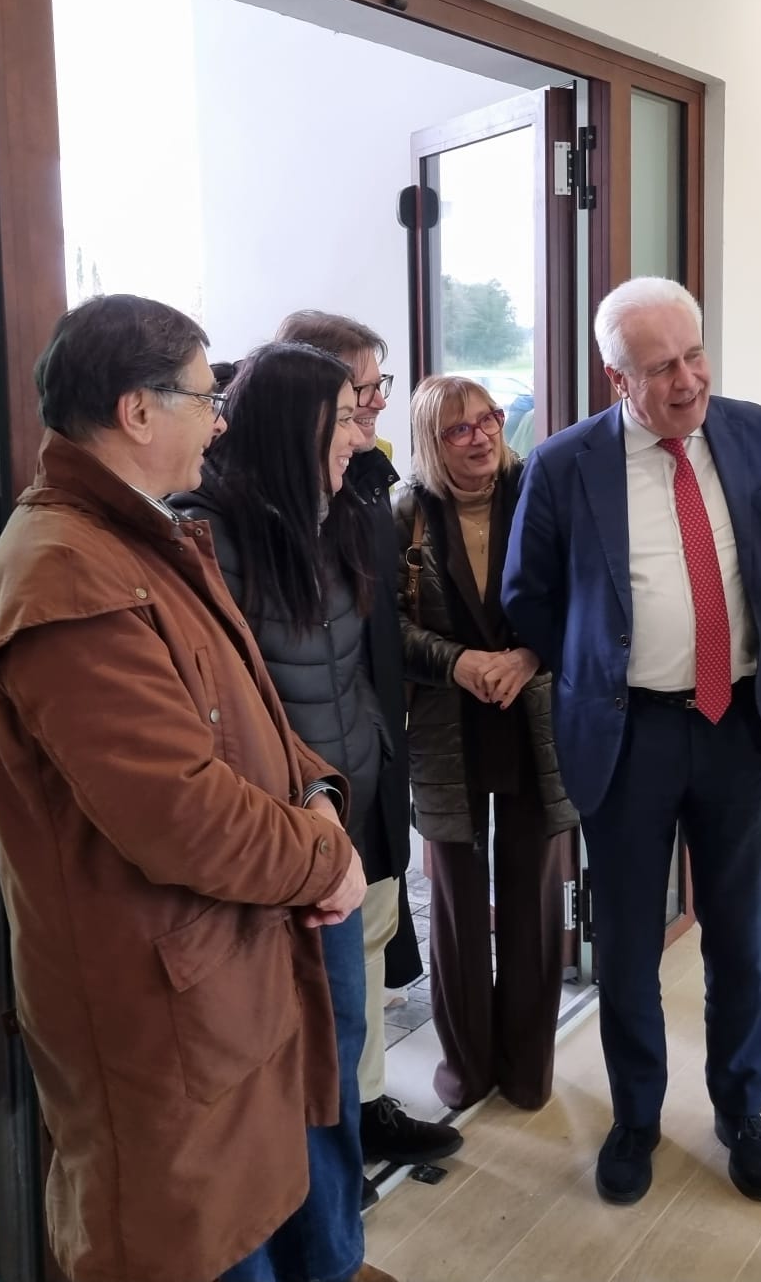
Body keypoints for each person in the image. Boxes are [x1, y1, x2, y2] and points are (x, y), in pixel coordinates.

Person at [0, 296, 387, 1282]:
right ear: (137, 411)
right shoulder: (64, 573)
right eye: (206, 398)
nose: (221, 422)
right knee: (201, 1242)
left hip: (217, 973)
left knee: (263, 1216)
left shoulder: (132, 540)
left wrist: (317, 794)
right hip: (159, 1010)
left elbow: (252, 719)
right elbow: (181, 813)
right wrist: (324, 855)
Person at [501, 278, 761, 1208]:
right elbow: (528, 594)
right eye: (660, 369)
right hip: (628, 736)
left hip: (738, 728)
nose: (687, 382)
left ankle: (741, 1110)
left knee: (743, 937)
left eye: (694, 356)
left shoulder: (755, 433)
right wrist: (602, 664)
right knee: (628, 944)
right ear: (617, 379)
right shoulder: (564, 465)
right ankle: (636, 1117)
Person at [169, 342, 390, 1253]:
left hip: (331, 824)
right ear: (294, 425)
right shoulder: (209, 538)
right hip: (271, 851)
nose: (359, 434)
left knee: (336, 1049)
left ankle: (331, 1250)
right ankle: (319, 1253)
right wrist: (307, 820)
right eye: (344, 417)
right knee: (291, 1066)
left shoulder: (328, 516)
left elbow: (349, 668)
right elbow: (222, 722)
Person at [273, 310, 456, 1168]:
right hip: (312, 782)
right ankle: (328, 1144)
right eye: (361, 391)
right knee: (326, 970)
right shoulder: (271, 511)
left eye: (378, 387)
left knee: (375, 933)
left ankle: (369, 1104)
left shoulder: (369, 483)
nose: (377, 404)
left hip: (372, 751)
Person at [394, 377, 578, 1113]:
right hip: (447, 728)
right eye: (458, 429)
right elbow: (386, 627)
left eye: (489, 419)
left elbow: (585, 599)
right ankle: (467, 1069)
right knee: (457, 903)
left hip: (535, 722)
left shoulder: (543, 494)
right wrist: (458, 662)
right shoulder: (404, 514)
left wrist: (530, 655)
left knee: (534, 897)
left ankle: (528, 1069)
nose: (481, 437)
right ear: (431, 443)